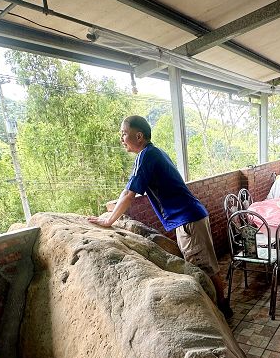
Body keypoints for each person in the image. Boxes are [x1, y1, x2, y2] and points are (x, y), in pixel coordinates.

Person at [89, 116, 231, 317]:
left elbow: (129, 195)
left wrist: (109, 220)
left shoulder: (146, 156)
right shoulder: (153, 153)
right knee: (207, 266)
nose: (121, 138)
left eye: (124, 133)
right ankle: (223, 308)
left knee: (203, 269)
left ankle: (219, 313)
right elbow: (129, 190)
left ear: (138, 136)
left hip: (188, 220)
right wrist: (112, 215)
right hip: (191, 216)